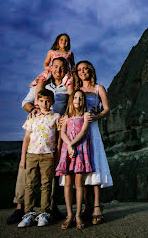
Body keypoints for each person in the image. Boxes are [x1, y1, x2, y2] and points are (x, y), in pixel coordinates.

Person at [7, 57, 70, 224]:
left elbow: (71, 104)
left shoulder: (68, 86)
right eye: (55, 66)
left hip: (55, 128)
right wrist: (34, 110)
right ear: (50, 67)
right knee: (27, 170)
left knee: (51, 170)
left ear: (66, 69)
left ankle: (49, 208)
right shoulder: (41, 83)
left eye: (62, 67)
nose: (58, 70)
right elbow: (25, 103)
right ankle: (21, 208)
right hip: (37, 130)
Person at [60, 60, 112, 225]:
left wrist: (94, 118)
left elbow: (106, 109)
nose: (82, 71)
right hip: (75, 130)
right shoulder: (76, 91)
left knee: (94, 164)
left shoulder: (98, 88)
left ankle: (96, 206)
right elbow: (70, 108)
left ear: (91, 70)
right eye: (79, 69)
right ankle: (85, 206)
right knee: (79, 167)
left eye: (85, 69)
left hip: (92, 128)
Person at [17, 89, 60, 228]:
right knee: (29, 184)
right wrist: (23, 158)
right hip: (32, 154)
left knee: (46, 184)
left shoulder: (56, 117)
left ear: (52, 102)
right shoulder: (32, 117)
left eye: (47, 101)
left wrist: (57, 157)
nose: (45, 103)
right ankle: (28, 213)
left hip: (48, 155)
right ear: (37, 102)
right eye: (41, 101)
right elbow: (26, 138)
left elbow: (59, 139)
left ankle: (43, 213)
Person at [56, 90, 94, 230]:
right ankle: (69, 215)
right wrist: (69, 146)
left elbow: (84, 131)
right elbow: (62, 133)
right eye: (75, 97)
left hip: (80, 149)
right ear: (72, 100)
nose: (78, 99)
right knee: (67, 182)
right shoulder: (66, 117)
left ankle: (78, 214)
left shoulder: (86, 115)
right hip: (68, 151)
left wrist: (73, 145)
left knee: (79, 183)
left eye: (81, 98)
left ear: (83, 101)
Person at [30, 33, 75, 103]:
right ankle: (36, 102)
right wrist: (47, 68)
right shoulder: (52, 52)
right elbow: (46, 62)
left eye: (66, 41)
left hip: (64, 72)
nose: (63, 42)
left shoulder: (69, 53)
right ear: (57, 41)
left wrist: (72, 72)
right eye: (61, 40)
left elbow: (73, 65)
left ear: (68, 43)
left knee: (70, 85)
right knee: (41, 82)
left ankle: (70, 105)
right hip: (52, 70)